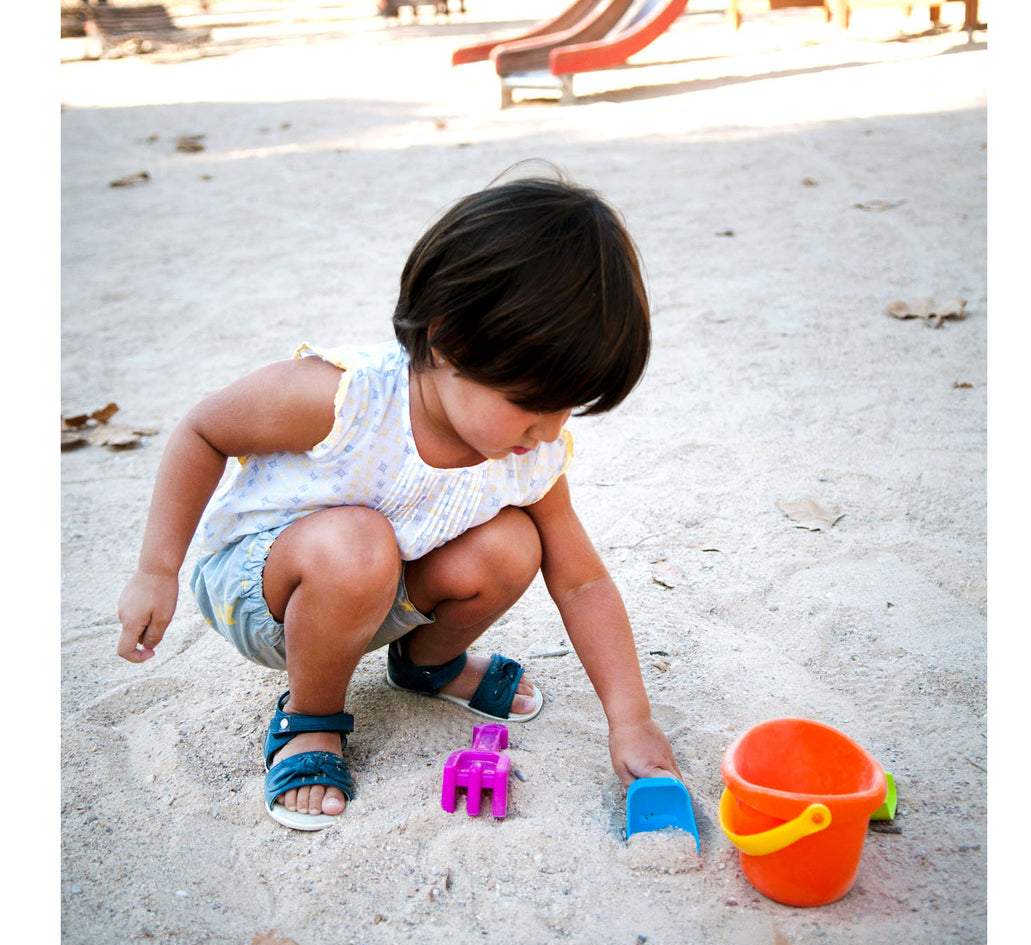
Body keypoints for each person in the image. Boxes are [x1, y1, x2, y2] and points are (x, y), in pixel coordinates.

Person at [117, 168, 682, 831]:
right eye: (531, 403)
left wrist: (631, 719)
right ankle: (310, 721)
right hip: (263, 589)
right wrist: (156, 571)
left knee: (514, 543)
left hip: (380, 589)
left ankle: (426, 664)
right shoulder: (346, 399)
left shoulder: (526, 455)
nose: (550, 430)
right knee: (356, 544)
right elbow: (203, 430)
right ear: (446, 339)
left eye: (567, 407)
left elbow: (582, 583)